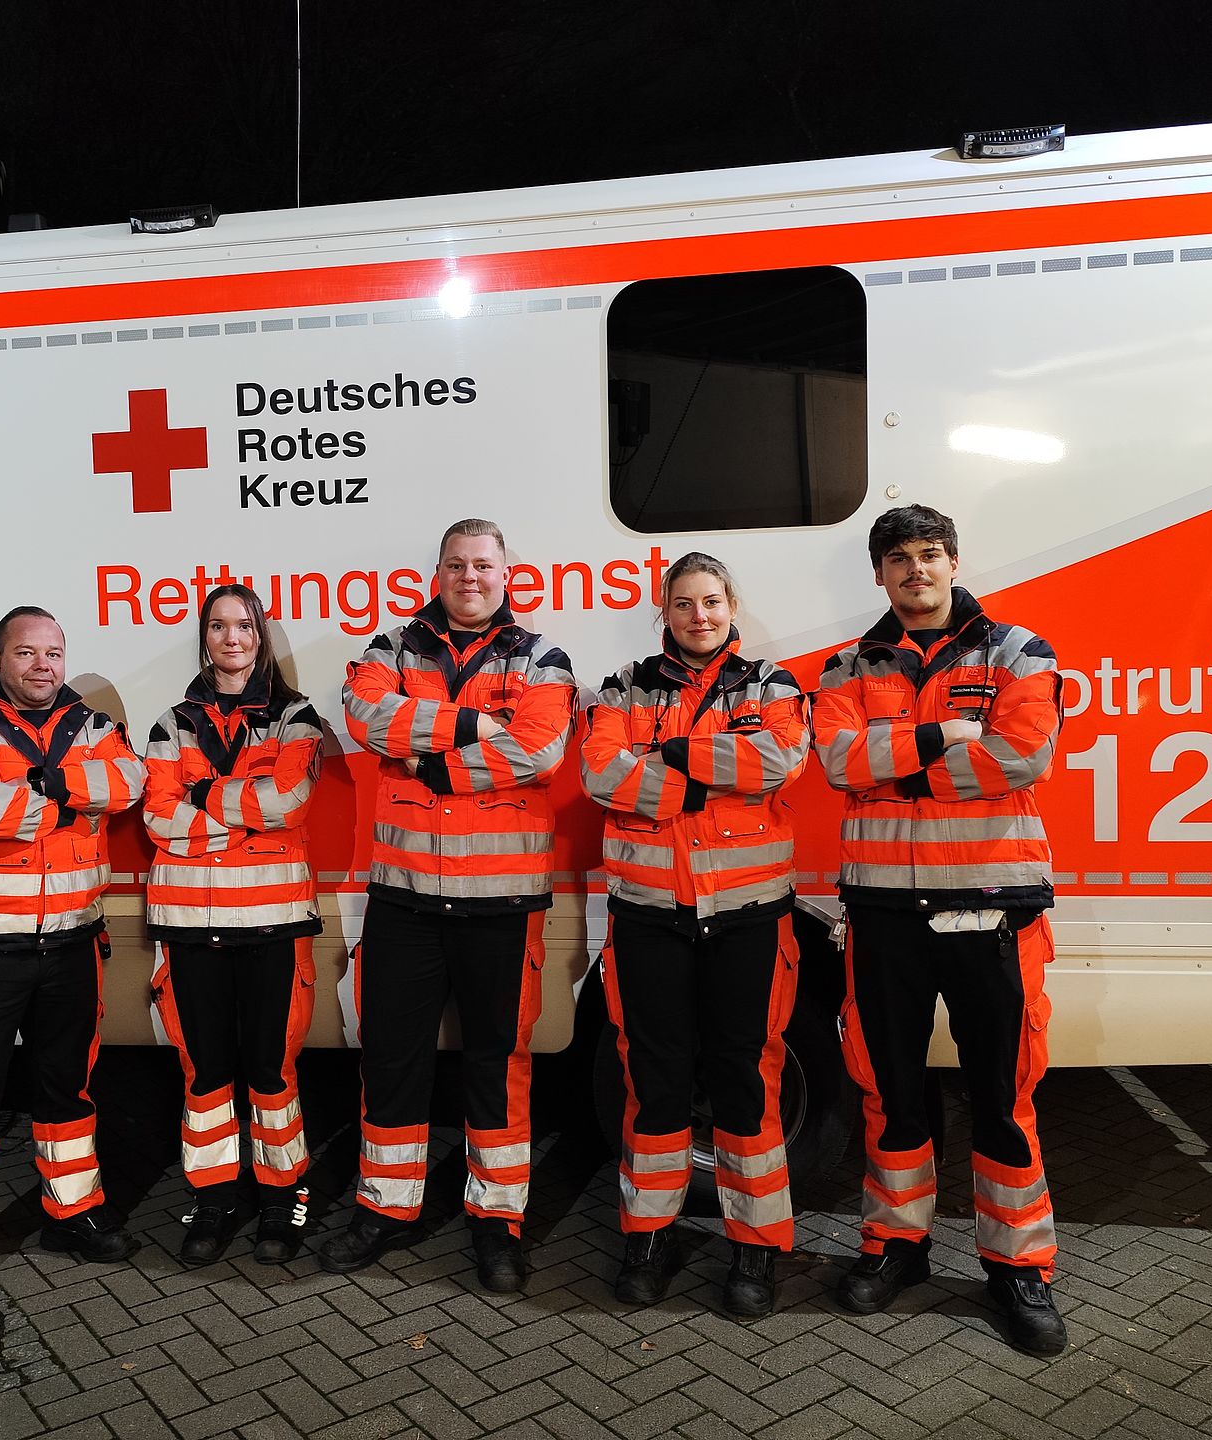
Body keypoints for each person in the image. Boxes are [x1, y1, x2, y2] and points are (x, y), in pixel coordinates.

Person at [812, 504, 1068, 1356]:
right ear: (878, 575)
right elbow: (839, 765)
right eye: (897, 559)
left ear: (953, 562)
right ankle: (896, 1247)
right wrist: (950, 734)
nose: (914, 571)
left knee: (1004, 1094)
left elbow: (1022, 756)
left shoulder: (1018, 651)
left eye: (929, 555)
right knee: (890, 1092)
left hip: (992, 905)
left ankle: (1017, 1268)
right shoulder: (849, 663)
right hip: (885, 910)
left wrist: (901, 768)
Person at [324, 518, 577, 1292]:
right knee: (392, 1057)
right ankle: (384, 1209)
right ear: (437, 572)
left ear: (508, 573)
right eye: (457, 565)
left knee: (496, 1066)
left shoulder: (544, 656)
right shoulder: (389, 649)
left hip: (503, 904)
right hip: (403, 899)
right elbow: (367, 718)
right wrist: (476, 725)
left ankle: (497, 1221)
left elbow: (539, 749)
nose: (471, 577)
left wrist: (433, 769)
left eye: (484, 565)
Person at [580, 552, 812, 1317]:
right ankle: (649, 1233)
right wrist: (720, 770)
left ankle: (757, 1246)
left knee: (747, 1083)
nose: (700, 616)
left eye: (711, 602)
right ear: (664, 611)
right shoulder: (623, 687)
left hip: (747, 919)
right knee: (654, 1084)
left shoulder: (772, 684)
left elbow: (780, 761)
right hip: (649, 919)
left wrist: (668, 755)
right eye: (684, 604)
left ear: (731, 603)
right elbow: (600, 774)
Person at [0, 606, 144, 1307]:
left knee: (67, 1091)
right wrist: (75, 796)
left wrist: (40, 787)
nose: (43, 666)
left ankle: (71, 1213)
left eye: (54, 652)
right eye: (27, 652)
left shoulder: (97, 728)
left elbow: (131, 786)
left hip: (72, 940)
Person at [143, 584, 326, 1265]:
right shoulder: (171, 722)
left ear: (260, 636)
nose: (230, 638)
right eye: (218, 626)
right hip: (191, 928)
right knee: (205, 1075)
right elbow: (155, 817)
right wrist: (239, 821)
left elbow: (290, 802)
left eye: (243, 626)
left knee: (272, 1075)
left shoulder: (295, 718)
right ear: (204, 638)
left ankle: (282, 1199)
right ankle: (215, 1198)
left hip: (274, 927)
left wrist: (198, 802)